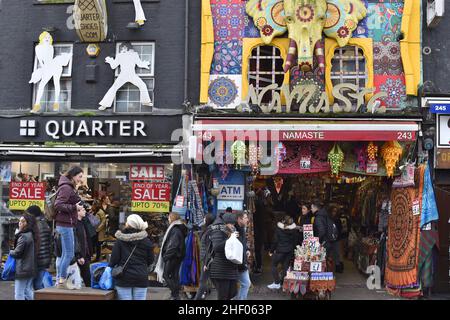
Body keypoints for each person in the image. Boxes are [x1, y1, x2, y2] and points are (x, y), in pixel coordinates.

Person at [109, 214, 154, 300]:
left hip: (123, 277)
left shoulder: (120, 241)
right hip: (141, 276)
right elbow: (150, 260)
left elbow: (114, 260)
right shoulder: (146, 241)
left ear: (128, 224)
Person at [54, 166, 84, 289]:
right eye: (80, 176)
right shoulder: (66, 187)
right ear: (73, 175)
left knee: (66, 253)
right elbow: (58, 205)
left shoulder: (68, 186)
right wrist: (74, 208)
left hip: (66, 224)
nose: (81, 179)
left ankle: (60, 279)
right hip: (64, 224)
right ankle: (61, 279)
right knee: (69, 253)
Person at [155, 212, 188, 300]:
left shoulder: (175, 230)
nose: (168, 219)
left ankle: (175, 294)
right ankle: (175, 294)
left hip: (173, 256)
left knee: (166, 275)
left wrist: (165, 257)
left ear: (172, 218)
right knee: (174, 275)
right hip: (176, 256)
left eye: (169, 217)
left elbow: (173, 245)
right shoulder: (177, 228)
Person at [208, 212, 239, 300]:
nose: (233, 225)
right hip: (220, 270)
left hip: (229, 269)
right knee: (223, 296)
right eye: (231, 224)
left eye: (234, 224)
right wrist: (231, 239)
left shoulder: (230, 230)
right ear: (225, 223)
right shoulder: (217, 230)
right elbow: (217, 247)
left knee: (231, 294)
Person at [10, 213, 38, 300]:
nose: (20, 223)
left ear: (27, 223)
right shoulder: (30, 234)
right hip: (30, 268)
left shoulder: (23, 236)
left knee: (19, 293)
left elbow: (17, 252)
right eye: (20, 221)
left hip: (23, 269)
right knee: (27, 291)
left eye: (23, 221)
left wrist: (10, 252)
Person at [267, 215, 298, 290]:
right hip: (289, 250)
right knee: (285, 266)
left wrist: (271, 251)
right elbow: (295, 241)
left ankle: (277, 283)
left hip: (280, 250)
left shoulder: (279, 229)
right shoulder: (293, 230)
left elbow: (275, 241)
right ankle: (282, 283)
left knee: (273, 265)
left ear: (283, 221)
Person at [27, 205, 52, 290]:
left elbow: (32, 243)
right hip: (44, 259)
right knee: (38, 284)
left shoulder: (34, 225)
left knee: (31, 285)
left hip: (36, 259)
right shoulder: (45, 223)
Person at [311, 200, 339, 269]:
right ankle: (327, 276)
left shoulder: (319, 217)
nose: (311, 209)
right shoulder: (326, 215)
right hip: (329, 241)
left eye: (311, 207)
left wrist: (317, 241)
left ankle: (323, 277)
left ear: (315, 208)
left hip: (324, 242)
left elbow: (322, 231)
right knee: (326, 260)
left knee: (321, 261)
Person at [194, 213, 215, 300]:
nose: (203, 220)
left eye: (204, 218)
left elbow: (209, 248)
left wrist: (207, 262)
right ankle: (203, 294)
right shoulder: (207, 229)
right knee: (207, 280)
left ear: (207, 220)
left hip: (207, 260)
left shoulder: (210, 231)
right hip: (206, 259)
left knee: (203, 280)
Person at [74, 205, 93, 286]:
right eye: (83, 210)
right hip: (79, 255)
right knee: (84, 276)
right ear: (78, 212)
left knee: (87, 276)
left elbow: (88, 237)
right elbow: (76, 241)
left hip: (85, 253)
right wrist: (78, 256)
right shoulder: (74, 225)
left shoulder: (83, 222)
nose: (85, 211)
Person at [235, 211, 251, 300]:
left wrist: (247, 250)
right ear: (239, 219)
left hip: (241, 262)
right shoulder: (234, 231)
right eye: (245, 218)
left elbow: (243, 244)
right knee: (244, 284)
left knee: (246, 283)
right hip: (236, 263)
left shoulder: (242, 229)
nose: (247, 219)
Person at [94, 197, 108, 261]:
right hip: (96, 231)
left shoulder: (101, 212)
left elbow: (103, 222)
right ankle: (97, 256)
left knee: (98, 245)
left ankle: (98, 257)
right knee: (96, 244)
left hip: (99, 231)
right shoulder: (96, 211)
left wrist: (98, 229)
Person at [330, 206, 343, 273]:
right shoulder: (329, 219)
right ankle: (332, 267)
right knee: (331, 253)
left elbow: (340, 229)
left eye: (335, 211)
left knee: (337, 253)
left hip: (337, 239)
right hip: (330, 239)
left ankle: (337, 266)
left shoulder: (338, 220)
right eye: (333, 211)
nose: (334, 213)